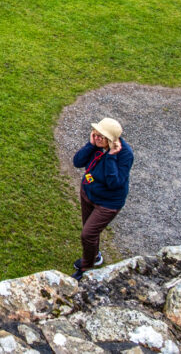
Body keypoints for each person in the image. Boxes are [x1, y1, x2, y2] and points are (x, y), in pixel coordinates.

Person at [71, 117, 133, 280]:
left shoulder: (125, 154)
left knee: (88, 234)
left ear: (111, 140)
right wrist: (90, 144)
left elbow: (114, 183)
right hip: (88, 193)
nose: (97, 138)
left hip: (107, 203)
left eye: (101, 136)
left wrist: (111, 156)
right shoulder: (96, 145)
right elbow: (77, 162)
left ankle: (86, 267)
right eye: (96, 134)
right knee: (90, 231)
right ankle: (95, 255)